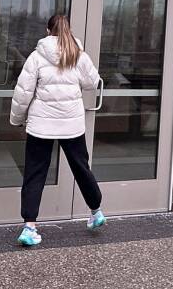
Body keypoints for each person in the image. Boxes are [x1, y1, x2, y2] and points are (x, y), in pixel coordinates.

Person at [9, 15, 107, 246]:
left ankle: (29, 228)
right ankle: (96, 211)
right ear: (68, 31)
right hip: (71, 125)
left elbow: (23, 92)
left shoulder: (36, 56)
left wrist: (16, 119)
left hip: (41, 126)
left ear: (47, 31)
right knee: (81, 167)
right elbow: (93, 83)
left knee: (35, 173)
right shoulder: (78, 55)